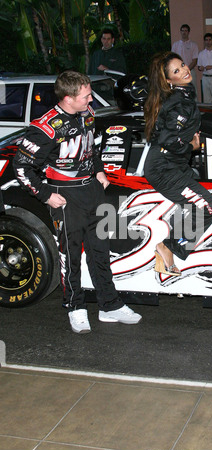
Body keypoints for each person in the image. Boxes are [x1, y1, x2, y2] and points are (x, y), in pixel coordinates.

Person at [13, 71, 141, 333]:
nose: (91, 99)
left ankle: (110, 305)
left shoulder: (87, 113)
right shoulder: (45, 128)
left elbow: (91, 147)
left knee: (100, 252)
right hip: (65, 196)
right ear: (68, 98)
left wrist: (99, 170)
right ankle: (75, 307)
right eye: (86, 96)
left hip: (92, 192)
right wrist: (46, 194)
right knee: (70, 256)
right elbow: (21, 167)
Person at [143, 52, 212, 276]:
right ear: (169, 81)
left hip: (173, 164)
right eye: (177, 71)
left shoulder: (182, 95)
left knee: (193, 207)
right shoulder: (179, 102)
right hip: (164, 166)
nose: (185, 70)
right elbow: (169, 140)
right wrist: (192, 147)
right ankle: (168, 247)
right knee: (209, 207)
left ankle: (169, 257)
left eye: (183, 65)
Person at [172, 24, 199, 97]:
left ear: (188, 32)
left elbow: (194, 60)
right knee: (179, 92)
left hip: (190, 71)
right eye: (182, 31)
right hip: (178, 73)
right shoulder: (175, 45)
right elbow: (173, 60)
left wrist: (186, 70)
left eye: (186, 31)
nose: (184, 32)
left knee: (193, 91)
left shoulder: (193, 45)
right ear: (180, 32)